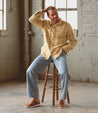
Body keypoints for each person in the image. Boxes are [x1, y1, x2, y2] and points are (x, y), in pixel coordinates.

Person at [25, 6, 77, 108]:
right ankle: (35, 99)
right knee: (30, 71)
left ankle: (62, 99)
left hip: (59, 54)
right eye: (52, 14)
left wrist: (64, 49)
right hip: (46, 54)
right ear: (48, 16)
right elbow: (32, 19)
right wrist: (43, 11)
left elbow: (73, 41)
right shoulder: (44, 23)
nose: (55, 16)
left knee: (65, 74)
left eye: (56, 13)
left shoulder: (66, 26)